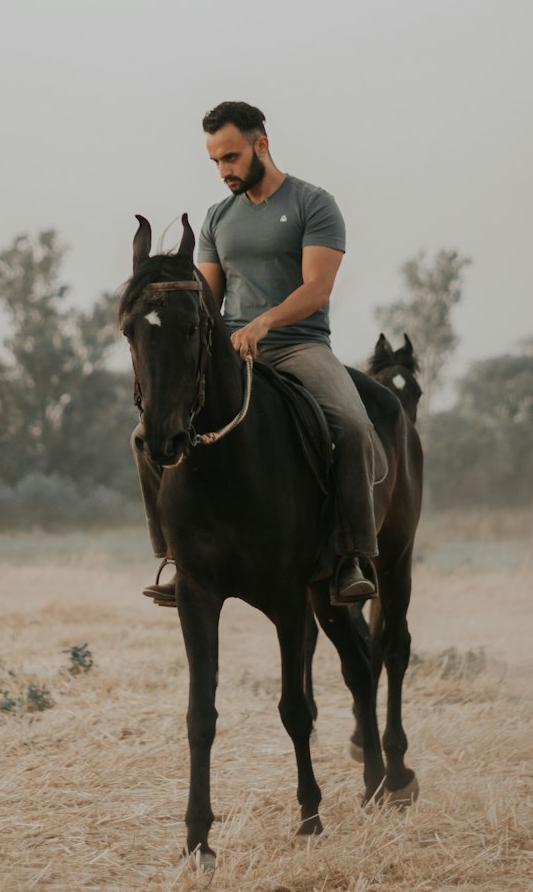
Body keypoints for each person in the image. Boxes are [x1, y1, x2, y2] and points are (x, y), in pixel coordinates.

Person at [137, 100, 383, 607]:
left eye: (230, 157)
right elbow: (208, 299)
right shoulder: (217, 218)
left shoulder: (314, 204)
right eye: (215, 162)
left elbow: (316, 288)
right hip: (231, 354)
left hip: (298, 346)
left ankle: (350, 555)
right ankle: (175, 555)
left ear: (261, 145)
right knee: (144, 434)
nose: (223, 171)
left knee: (354, 426)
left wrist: (265, 321)